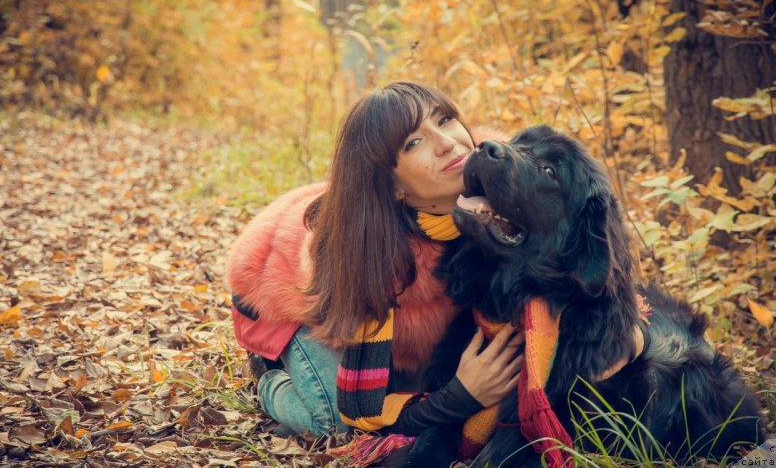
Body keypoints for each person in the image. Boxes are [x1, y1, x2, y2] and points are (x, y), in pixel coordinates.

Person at [226, 81, 645, 438]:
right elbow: (362, 406)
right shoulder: (372, 260)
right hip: (285, 299)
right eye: (414, 142)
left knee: (418, 375)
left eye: (444, 119)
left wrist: (628, 333)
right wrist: (459, 397)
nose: (447, 143)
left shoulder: (500, 165)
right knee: (332, 417)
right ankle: (269, 377)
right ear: (392, 186)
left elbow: (575, 257)